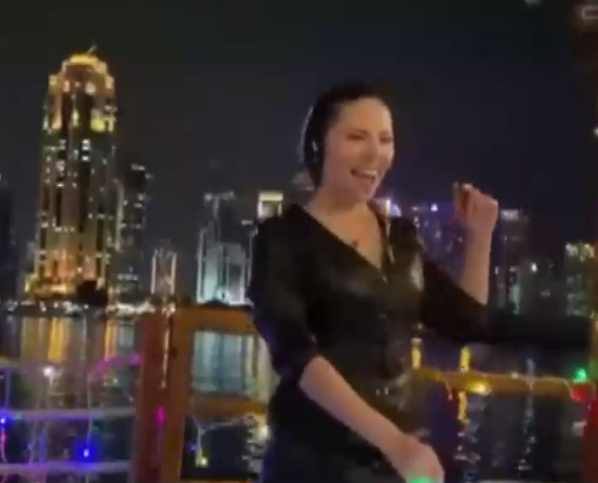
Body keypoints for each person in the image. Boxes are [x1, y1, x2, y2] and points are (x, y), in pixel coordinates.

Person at [248, 82, 593, 483]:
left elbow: (467, 321)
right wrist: (394, 442)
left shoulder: (400, 238)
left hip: (394, 463)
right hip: (312, 462)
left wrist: (480, 235)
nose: (375, 153)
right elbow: (296, 355)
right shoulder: (281, 239)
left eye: (385, 139)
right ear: (317, 146)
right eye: (357, 137)